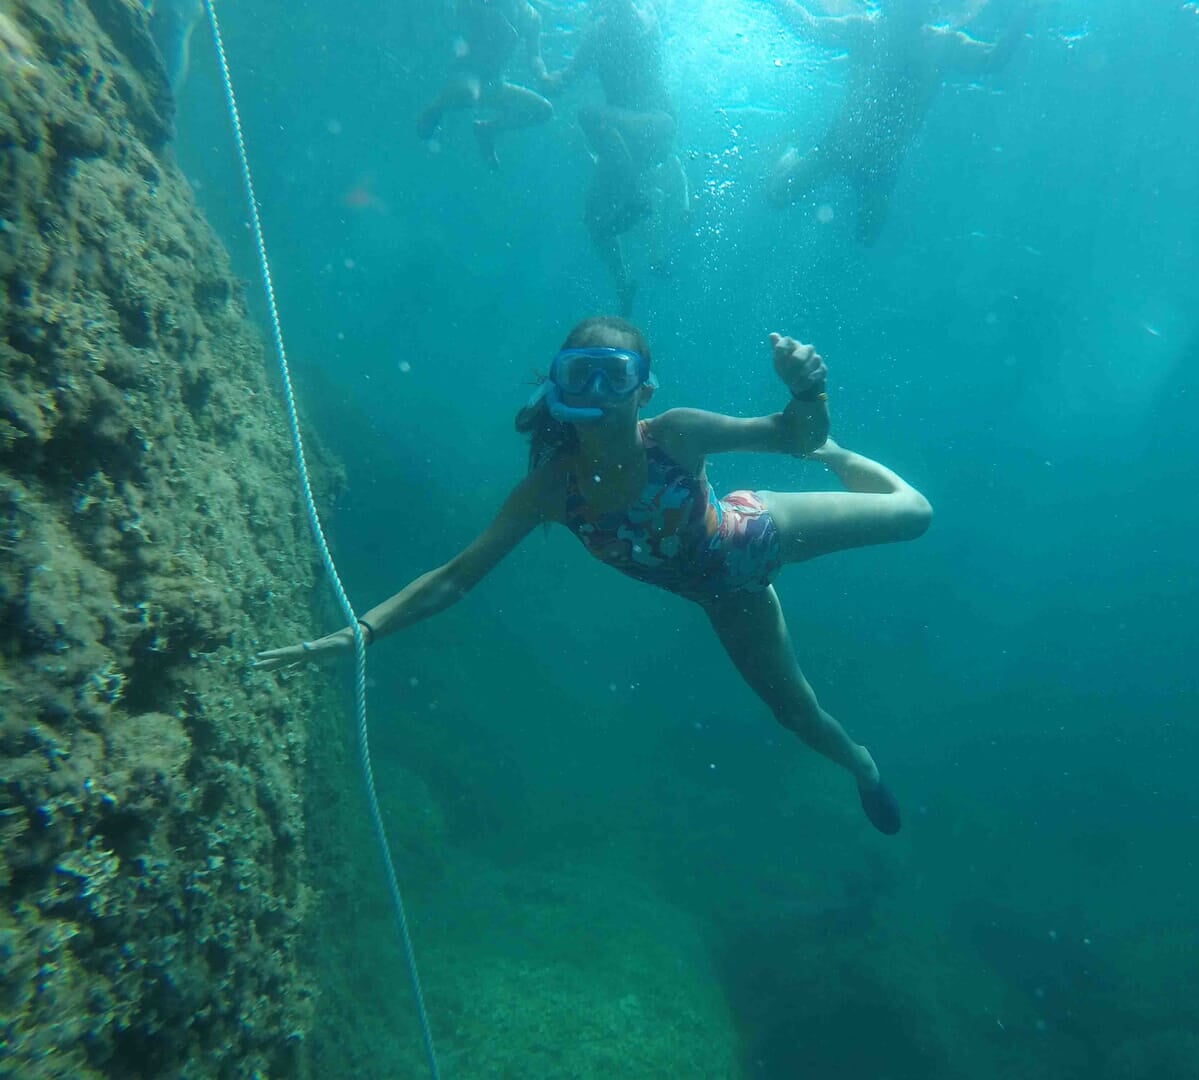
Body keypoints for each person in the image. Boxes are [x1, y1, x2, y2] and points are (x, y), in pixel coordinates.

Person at [256, 316, 932, 836]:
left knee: (915, 515)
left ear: (643, 390)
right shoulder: (549, 491)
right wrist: (364, 632)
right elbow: (456, 577)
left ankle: (849, 461)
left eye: (615, 375)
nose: (600, 393)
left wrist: (808, 391)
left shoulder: (675, 434)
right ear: (557, 385)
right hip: (723, 597)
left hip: (759, 528)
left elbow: (798, 436)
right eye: (582, 375)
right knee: (795, 712)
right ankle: (863, 765)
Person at [767, 0, 1032, 245]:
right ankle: (789, 153)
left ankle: (794, 157)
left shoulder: (944, 45)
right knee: (776, 197)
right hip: (837, 150)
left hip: (882, 165)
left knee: (867, 238)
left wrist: (1024, 14)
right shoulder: (864, 29)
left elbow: (992, 60)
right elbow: (809, 28)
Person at [541, 0, 687, 315]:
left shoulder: (647, 17)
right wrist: (540, 69)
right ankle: (624, 285)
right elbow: (565, 78)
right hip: (621, 142)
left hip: (656, 124)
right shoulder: (598, 32)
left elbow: (638, 21)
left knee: (589, 113)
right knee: (594, 218)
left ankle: (635, 196)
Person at [415, 0, 554, 168]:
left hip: (494, 83)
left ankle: (488, 129)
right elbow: (454, 12)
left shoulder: (532, 18)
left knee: (543, 111)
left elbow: (535, 56)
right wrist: (486, 13)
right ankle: (436, 106)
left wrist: (543, 76)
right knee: (468, 93)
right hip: (465, 72)